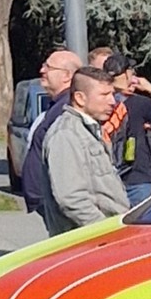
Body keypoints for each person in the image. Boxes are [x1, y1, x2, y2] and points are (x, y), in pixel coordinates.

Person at [41, 65, 132, 231]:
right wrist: (103, 230)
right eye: (104, 95)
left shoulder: (90, 130)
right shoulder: (66, 134)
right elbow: (71, 198)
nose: (112, 101)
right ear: (80, 98)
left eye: (112, 94)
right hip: (88, 238)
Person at [88, 48, 151, 206]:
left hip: (106, 179)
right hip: (138, 180)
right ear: (127, 74)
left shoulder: (94, 102)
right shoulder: (140, 103)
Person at [18, 48, 80, 218]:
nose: (42, 70)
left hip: (56, 200)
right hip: (46, 200)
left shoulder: (67, 108)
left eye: (49, 67)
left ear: (67, 75)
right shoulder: (56, 105)